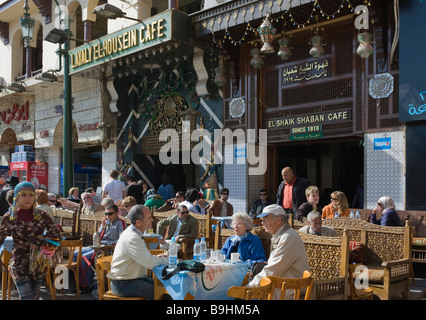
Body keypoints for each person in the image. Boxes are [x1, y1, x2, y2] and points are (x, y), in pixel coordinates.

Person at [0, 181, 61, 300]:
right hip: (18, 262)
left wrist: (40, 243)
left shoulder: (43, 215)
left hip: (38, 263)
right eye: (23, 195)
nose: (27, 198)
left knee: (33, 296)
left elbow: (56, 237)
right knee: (26, 297)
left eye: (31, 195)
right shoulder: (9, 217)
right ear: (17, 197)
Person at [248, 204, 310, 300]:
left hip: (290, 291)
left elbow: (273, 270)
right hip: (281, 288)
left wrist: (249, 287)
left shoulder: (288, 237)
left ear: (278, 220)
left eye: (266, 219)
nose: (262, 223)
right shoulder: (280, 235)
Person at [108, 205, 169, 299]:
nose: (152, 220)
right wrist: (167, 260)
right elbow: (149, 262)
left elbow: (143, 257)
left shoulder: (134, 233)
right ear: (138, 222)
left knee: (168, 289)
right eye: (148, 218)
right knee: (163, 295)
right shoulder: (132, 237)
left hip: (133, 279)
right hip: (123, 284)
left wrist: (157, 258)